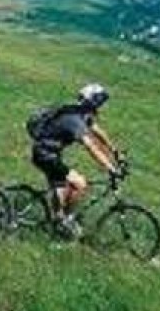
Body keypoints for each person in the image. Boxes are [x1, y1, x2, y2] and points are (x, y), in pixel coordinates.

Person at [29, 83, 123, 236]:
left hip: (48, 153)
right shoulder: (74, 120)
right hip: (45, 155)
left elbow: (97, 131)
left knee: (61, 186)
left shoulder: (80, 113)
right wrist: (110, 167)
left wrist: (115, 151)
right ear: (92, 102)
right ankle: (65, 221)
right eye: (99, 102)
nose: (100, 106)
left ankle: (58, 219)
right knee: (80, 184)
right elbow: (91, 147)